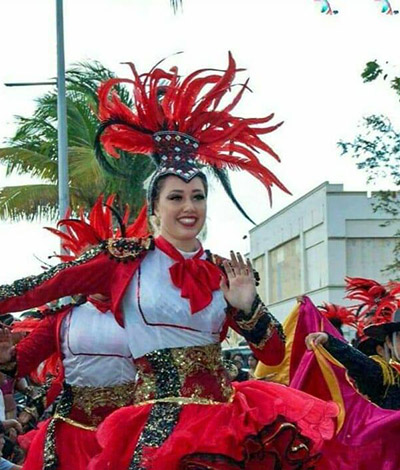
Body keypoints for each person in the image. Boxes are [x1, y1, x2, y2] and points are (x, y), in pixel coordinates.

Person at [0, 54, 337, 469]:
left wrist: (247, 306)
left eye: (198, 196)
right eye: (175, 197)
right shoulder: (123, 260)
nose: (189, 207)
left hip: (224, 423)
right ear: (155, 207)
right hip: (154, 424)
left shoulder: (223, 271)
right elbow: (39, 287)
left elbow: (270, 353)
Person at [0, 196, 141, 470]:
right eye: (89, 268)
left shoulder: (143, 315)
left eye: (105, 264)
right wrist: (6, 358)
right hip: (73, 439)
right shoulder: (62, 320)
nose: (97, 272)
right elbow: (21, 367)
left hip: (130, 434)